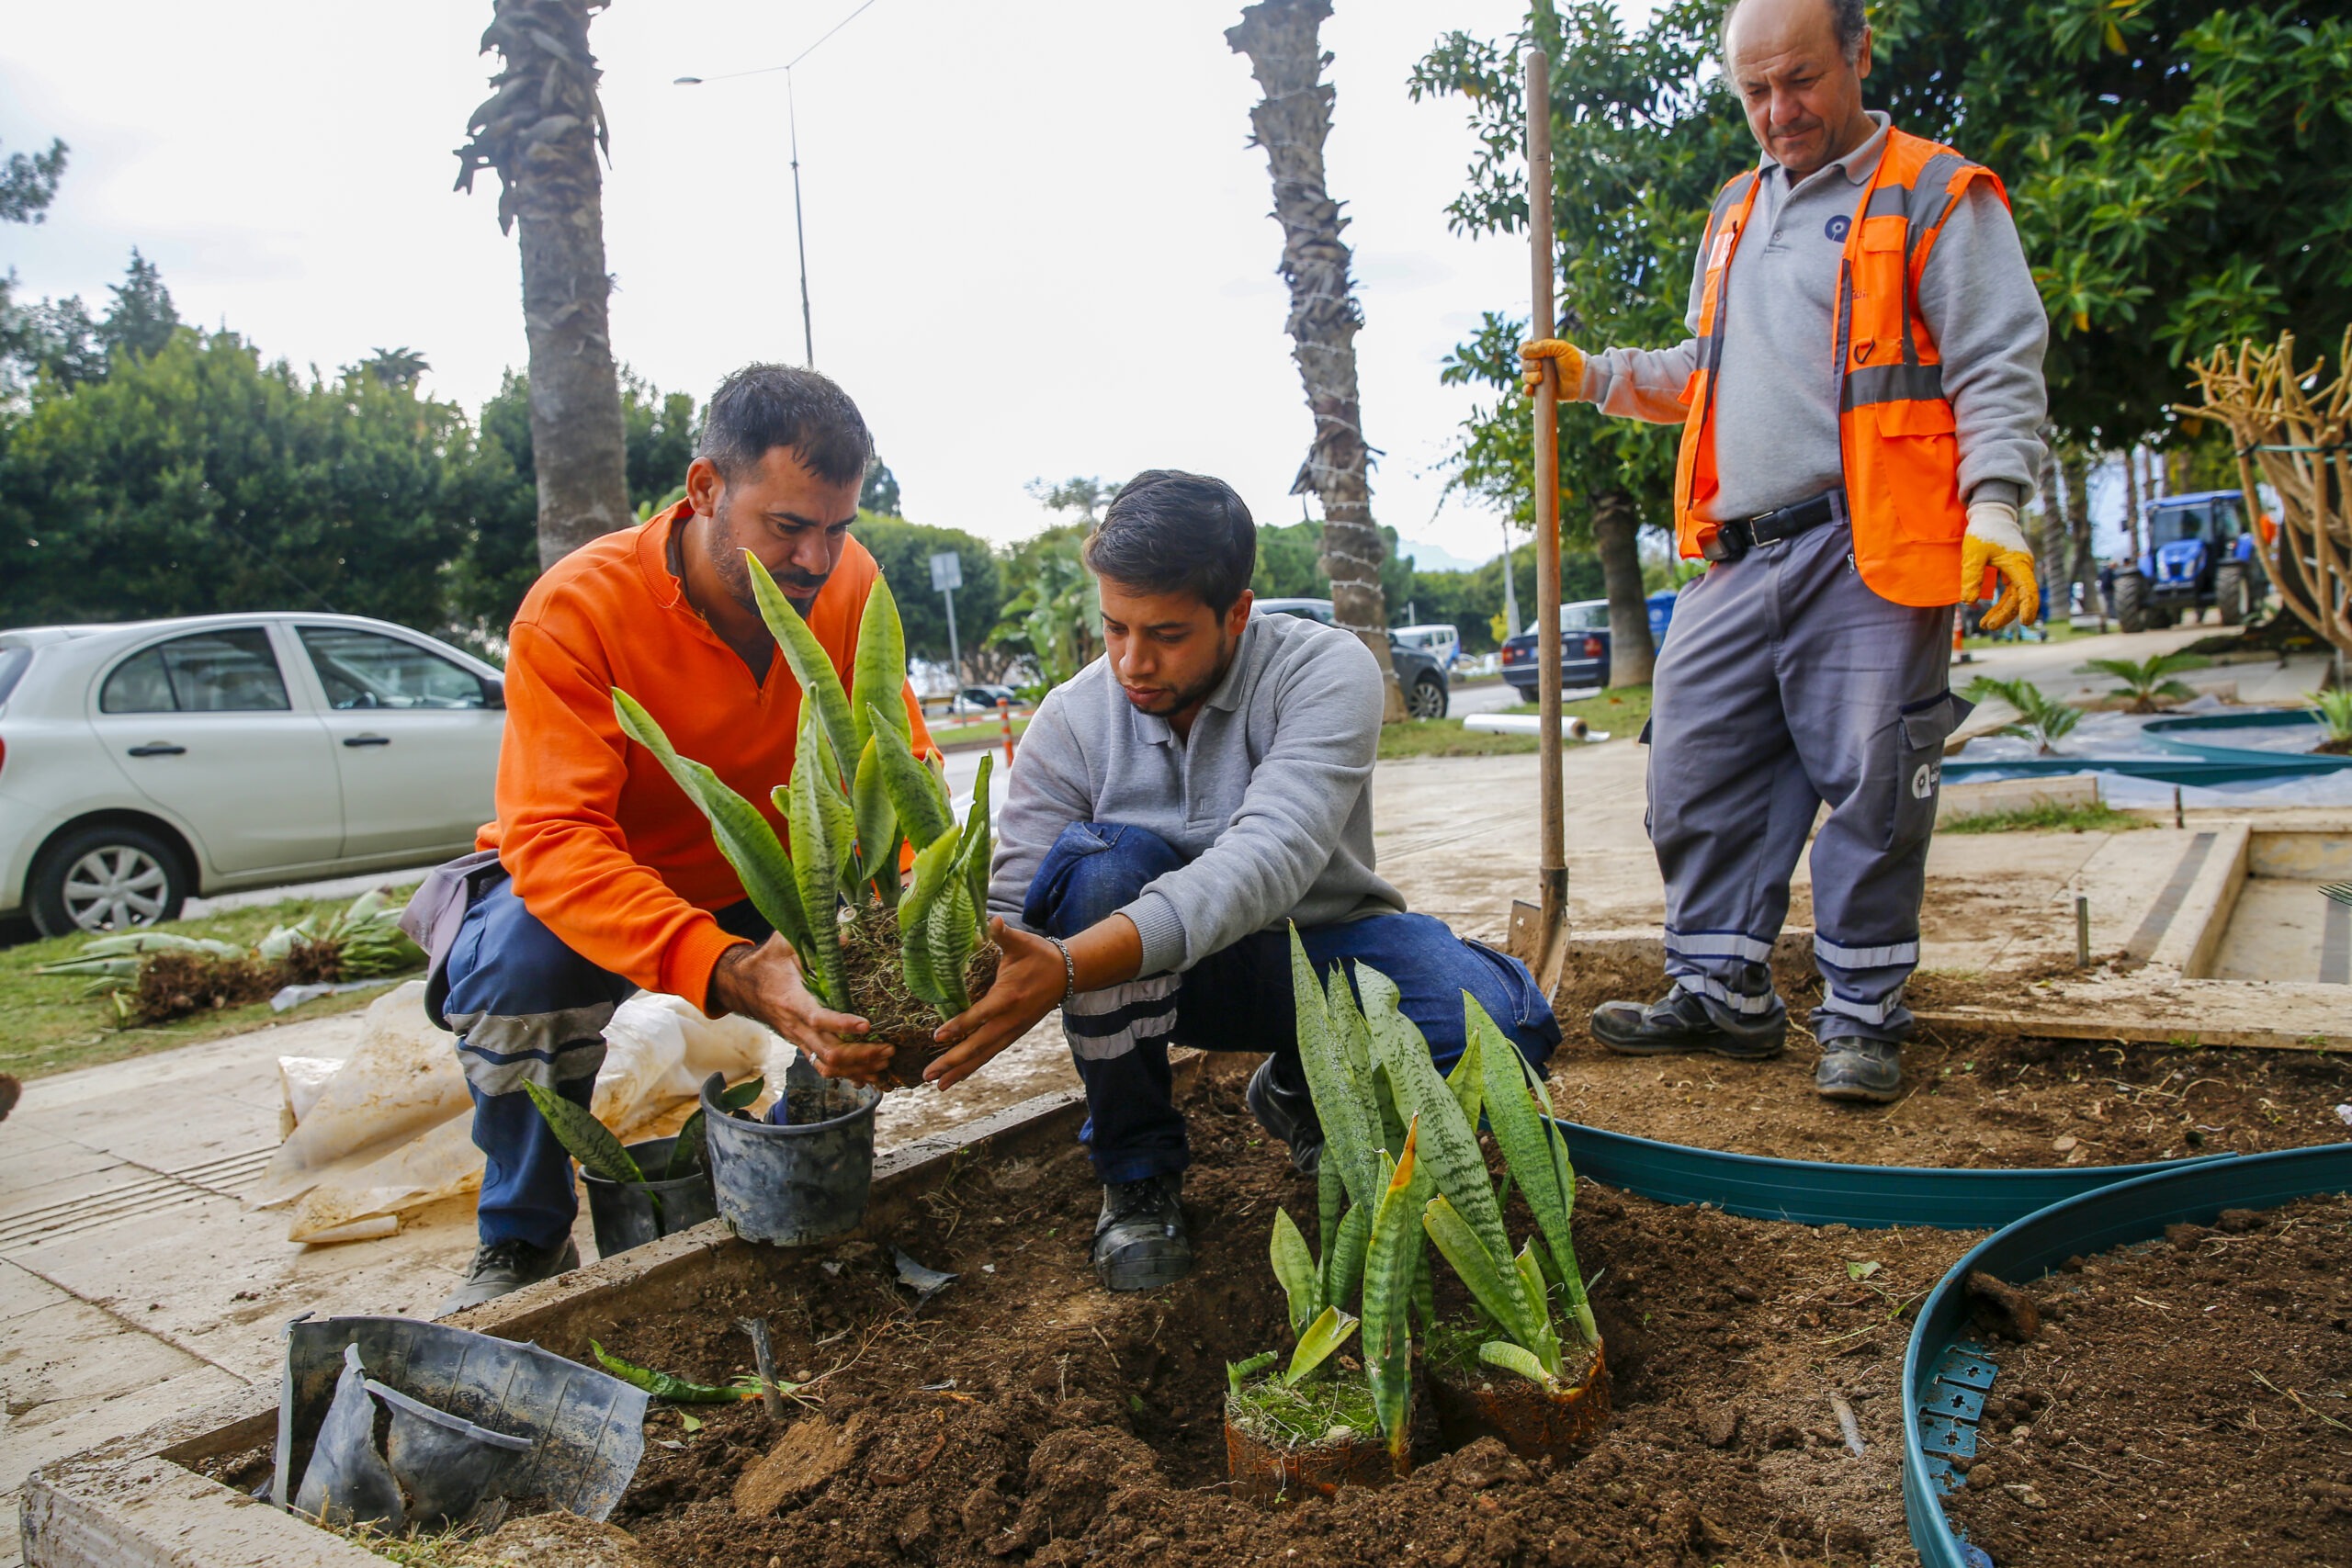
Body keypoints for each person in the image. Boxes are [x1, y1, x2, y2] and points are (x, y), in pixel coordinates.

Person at [1519, 0, 2047, 1102]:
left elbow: (1996, 362)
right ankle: (1722, 989)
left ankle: (1861, 1015)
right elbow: (1711, 367)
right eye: (1754, 91)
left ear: (1858, 54)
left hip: (1871, 545)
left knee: (1872, 787)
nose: (1777, 112)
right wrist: (1596, 376)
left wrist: (1994, 505)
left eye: (1799, 81)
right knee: (1693, 767)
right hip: (1739, 551)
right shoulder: (1734, 208)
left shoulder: (1937, 192)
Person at [897, 470, 1561, 1292]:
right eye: (1113, 628)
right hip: (1162, 976)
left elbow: (1269, 859)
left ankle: (1300, 1081)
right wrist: (909, 1020)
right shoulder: (1071, 718)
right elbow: (1009, 907)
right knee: (1100, 874)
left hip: (1318, 952)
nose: (1132, 661)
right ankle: (1137, 1173)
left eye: (1166, 634)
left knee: (1505, 1033)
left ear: (1237, 614)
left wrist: (1067, 965)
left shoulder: (1322, 671)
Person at [405, 366, 930, 1313]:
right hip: (607, 886)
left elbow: (900, 773)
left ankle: (811, 1155)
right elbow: (559, 841)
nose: (816, 559)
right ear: (704, 490)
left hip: (778, 881)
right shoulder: (577, 610)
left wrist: (914, 938)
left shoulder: (850, 585)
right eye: (787, 528)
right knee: (517, 966)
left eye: (837, 528)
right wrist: (723, 966)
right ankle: (521, 1238)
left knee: (867, 938)